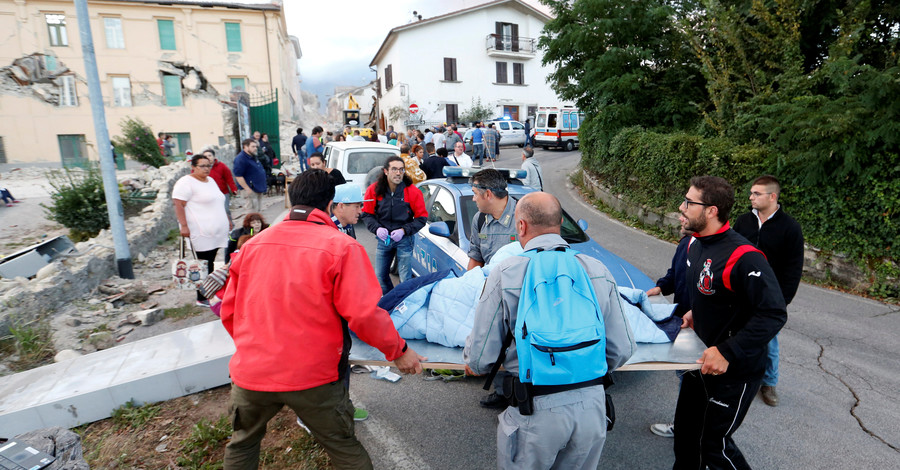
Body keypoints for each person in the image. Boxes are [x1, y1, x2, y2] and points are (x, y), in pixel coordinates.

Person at [220, 170, 425, 470]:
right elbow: (364, 314)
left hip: (252, 374)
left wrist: (253, 348)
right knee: (343, 448)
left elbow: (229, 312)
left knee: (243, 443)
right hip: (313, 377)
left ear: (292, 199)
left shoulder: (252, 246)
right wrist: (399, 351)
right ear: (331, 204)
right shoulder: (341, 247)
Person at [464, 192, 635, 470]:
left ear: (521, 226)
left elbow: (481, 357)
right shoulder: (596, 270)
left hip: (535, 409)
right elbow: (622, 348)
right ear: (559, 224)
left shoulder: (507, 272)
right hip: (592, 407)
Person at [673, 175, 787, 470]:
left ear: (711, 210)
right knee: (686, 438)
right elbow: (713, 294)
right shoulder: (695, 245)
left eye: (689, 202)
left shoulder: (745, 257)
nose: (681, 207)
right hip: (699, 363)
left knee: (714, 446)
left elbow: (773, 313)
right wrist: (696, 313)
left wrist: (727, 351)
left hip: (734, 371)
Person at [732, 175, 804, 408]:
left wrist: (782, 300)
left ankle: (769, 383)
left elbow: (793, 268)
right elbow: (731, 253)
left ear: (772, 196)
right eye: (751, 193)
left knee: (768, 340)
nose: (751, 197)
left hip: (769, 296)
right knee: (736, 333)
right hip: (740, 291)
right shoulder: (743, 221)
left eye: (756, 193)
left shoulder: (790, 228)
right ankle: (735, 376)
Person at [465, 168, 519, 408]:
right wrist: (468, 287)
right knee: (494, 339)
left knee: (519, 345)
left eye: (475, 193)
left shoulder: (523, 216)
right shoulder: (479, 220)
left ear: (488, 194)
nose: (473, 198)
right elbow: (476, 256)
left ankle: (522, 389)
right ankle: (502, 390)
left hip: (520, 294)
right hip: (493, 292)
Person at [647, 221, 693, 439]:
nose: (681, 216)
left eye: (687, 207)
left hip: (701, 329)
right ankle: (687, 426)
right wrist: (661, 287)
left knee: (692, 381)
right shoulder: (686, 242)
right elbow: (675, 275)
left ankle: (686, 429)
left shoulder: (715, 251)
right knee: (686, 378)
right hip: (682, 324)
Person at [361, 156, 428, 295]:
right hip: (384, 239)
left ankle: (404, 305)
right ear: (385, 171)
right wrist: (377, 229)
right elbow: (366, 214)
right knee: (380, 277)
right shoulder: (374, 190)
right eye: (394, 169)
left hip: (404, 239)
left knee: (405, 279)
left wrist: (404, 230)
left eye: (401, 169)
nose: (398, 173)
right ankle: (392, 300)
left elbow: (422, 218)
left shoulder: (413, 192)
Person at [173, 154, 230, 306]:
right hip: (199, 231)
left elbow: (218, 202)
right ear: (193, 167)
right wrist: (184, 225)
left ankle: (210, 292)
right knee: (202, 264)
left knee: (210, 262)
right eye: (203, 166)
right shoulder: (186, 182)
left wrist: (228, 220)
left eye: (209, 165)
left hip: (215, 231)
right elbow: (178, 204)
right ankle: (202, 297)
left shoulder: (210, 181)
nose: (207, 169)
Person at [232, 138, 268, 213]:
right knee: (251, 213)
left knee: (258, 212)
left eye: (256, 146)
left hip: (258, 188)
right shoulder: (240, 159)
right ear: (245, 147)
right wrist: (247, 189)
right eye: (253, 146)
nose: (255, 148)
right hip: (250, 189)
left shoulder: (253, 156)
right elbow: (238, 176)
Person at [205, 149, 238, 227]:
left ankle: (230, 226)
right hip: (208, 194)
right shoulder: (202, 168)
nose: (208, 158)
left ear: (214, 157)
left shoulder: (221, 166)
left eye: (209, 155)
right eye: (205, 156)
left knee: (225, 210)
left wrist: (233, 189)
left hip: (223, 192)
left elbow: (229, 178)